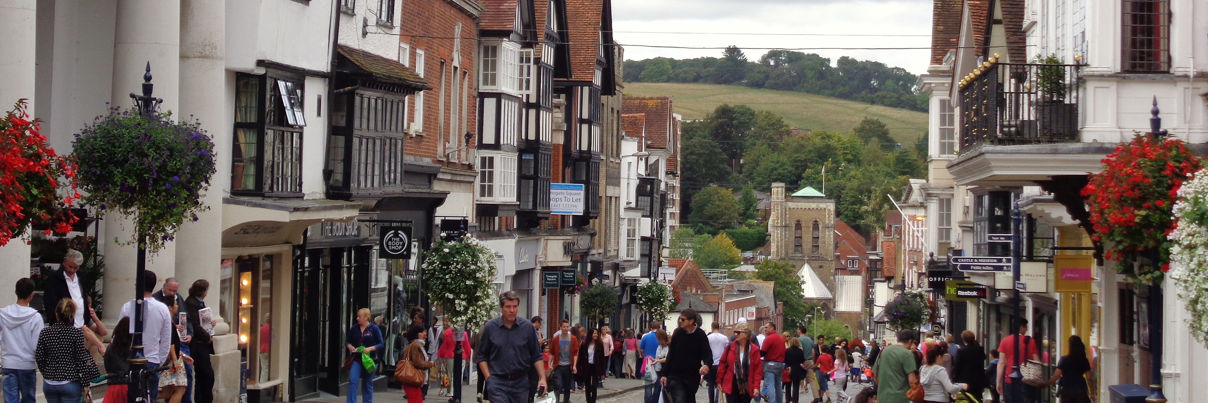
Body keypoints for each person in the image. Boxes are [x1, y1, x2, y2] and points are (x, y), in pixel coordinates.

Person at [476, 291, 547, 403]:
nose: (512, 310)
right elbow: (482, 357)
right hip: (497, 382)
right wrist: (489, 379)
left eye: (515, 306)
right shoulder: (490, 328)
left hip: (520, 383)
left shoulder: (527, 327)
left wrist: (542, 378)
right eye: (508, 307)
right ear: (501, 308)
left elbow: (536, 356)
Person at [119, 270, 172, 402]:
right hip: (152, 361)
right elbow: (166, 340)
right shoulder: (162, 308)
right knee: (150, 398)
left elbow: (119, 336)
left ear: (137, 284)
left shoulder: (127, 307)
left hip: (132, 361)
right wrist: (159, 361)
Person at [42, 250, 106, 358]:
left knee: (94, 344)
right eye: (70, 266)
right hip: (64, 327)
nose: (72, 270)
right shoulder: (54, 279)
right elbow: (50, 304)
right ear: (64, 263)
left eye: (75, 268)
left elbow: (84, 296)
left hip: (81, 325)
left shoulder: (81, 276)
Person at [35, 299, 100, 403]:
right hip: (70, 381)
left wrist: (46, 373)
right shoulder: (76, 334)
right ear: (72, 314)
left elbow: (39, 357)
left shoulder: (45, 332)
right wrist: (85, 385)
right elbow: (81, 360)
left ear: (57, 314)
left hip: (50, 382)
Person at [0, 278, 44, 403]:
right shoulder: (35, 317)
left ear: (15, 291)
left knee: (10, 399)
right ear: (32, 295)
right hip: (27, 363)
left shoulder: (3, 314)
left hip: (8, 362)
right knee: (29, 399)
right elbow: (37, 345)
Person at [659, 309, 712, 403]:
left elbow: (707, 353)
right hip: (675, 375)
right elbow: (671, 354)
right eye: (680, 319)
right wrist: (664, 374)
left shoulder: (700, 335)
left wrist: (706, 365)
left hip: (692, 376)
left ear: (691, 321)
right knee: (680, 399)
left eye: (683, 320)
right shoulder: (678, 333)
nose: (680, 321)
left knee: (689, 399)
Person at [154, 278, 194, 403]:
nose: (172, 293)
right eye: (170, 290)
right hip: (171, 355)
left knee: (173, 389)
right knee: (178, 388)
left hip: (179, 347)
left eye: (175, 291)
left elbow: (186, 318)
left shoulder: (179, 298)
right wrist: (176, 359)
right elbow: (169, 342)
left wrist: (189, 334)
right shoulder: (157, 301)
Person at [184, 279, 216, 403]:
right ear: (203, 291)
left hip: (202, 343)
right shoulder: (192, 303)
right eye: (207, 290)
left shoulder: (199, 302)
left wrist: (210, 324)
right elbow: (195, 325)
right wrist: (207, 337)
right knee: (206, 375)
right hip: (198, 344)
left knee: (204, 376)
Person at [717, 323, 763, 403]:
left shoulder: (754, 350)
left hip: (747, 384)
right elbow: (722, 363)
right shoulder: (730, 347)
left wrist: (756, 387)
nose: (736, 334)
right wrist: (719, 380)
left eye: (738, 332)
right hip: (732, 382)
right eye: (735, 332)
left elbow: (757, 370)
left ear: (746, 334)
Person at [871, 329, 920, 403]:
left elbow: (875, 375)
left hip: (883, 397)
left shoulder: (884, 351)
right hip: (900, 398)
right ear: (910, 341)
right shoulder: (907, 354)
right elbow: (912, 381)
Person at [345, 308, 384, 403]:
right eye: (357, 316)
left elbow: (381, 343)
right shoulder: (354, 328)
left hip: (370, 360)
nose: (357, 318)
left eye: (359, 316)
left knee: (367, 383)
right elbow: (347, 341)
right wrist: (349, 346)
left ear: (366, 317)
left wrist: (370, 348)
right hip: (356, 359)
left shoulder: (374, 329)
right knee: (353, 380)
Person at [996, 319, 1039, 402]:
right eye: (1026, 327)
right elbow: (1037, 361)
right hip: (1027, 379)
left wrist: (998, 381)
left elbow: (1001, 363)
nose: (1026, 329)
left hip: (1010, 379)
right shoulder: (1030, 341)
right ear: (1021, 327)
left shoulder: (1005, 341)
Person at [1047, 335, 1091, 403]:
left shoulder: (1064, 360)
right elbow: (1089, 378)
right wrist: (1093, 392)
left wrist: (1046, 384)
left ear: (1070, 346)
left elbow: (1056, 376)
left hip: (1067, 391)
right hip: (1081, 390)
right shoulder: (1084, 360)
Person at [437, 317, 471, 396]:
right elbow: (467, 347)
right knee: (459, 374)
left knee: (450, 374)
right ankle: (457, 391)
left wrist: (440, 355)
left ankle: (450, 391)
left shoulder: (448, 333)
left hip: (449, 355)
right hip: (461, 355)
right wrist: (468, 357)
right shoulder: (464, 334)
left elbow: (444, 346)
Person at [401, 324, 436, 403]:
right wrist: (430, 363)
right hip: (412, 380)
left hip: (412, 381)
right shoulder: (416, 346)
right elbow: (418, 363)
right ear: (418, 334)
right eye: (423, 332)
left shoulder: (416, 345)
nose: (425, 335)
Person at [548, 319, 579, 403]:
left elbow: (576, 353)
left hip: (569, 366)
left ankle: (566, 401)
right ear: (560, 327)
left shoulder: (573, 339)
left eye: (567, 327)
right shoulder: (556, 339)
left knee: (567, 386)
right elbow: (551, 352)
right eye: (564, 327)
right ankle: (556, 401)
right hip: (558, 366)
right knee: (558, 385)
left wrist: (575, 365)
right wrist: (549, 364)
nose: (566, 328)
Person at [102, 317, 132, 403]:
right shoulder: (132, 348)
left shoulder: (111, 347)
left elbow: (107, 365)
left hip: (113, 385)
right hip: (128, 385)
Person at [953, 331, 987, 401]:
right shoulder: (980, 349)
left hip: (964, 380)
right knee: (977, 399)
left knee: (966, 398)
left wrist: (955, 379)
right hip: (978, 380)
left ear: (964, 339)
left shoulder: (961, 351)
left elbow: (957, 366)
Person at [576, 328, 607, 403]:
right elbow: (580, 358)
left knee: (594, 386)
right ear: (590, 334)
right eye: (594, 333)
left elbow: (602, 358)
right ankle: (588, 400)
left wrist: (603, 372)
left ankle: (593, 401)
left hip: (596, 367)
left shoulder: (600, 344)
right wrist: (578, 368)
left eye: (596, 333)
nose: (595, 335)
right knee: (587, 385)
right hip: (587, 366)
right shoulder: (584, 344)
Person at [760, 323, 787, 403]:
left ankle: (772, 401)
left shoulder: (769, 338)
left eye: (766, 327)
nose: (765, 329)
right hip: (780, 364)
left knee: (770, 385)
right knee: (778, 385)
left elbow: (763, 352)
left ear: (772, 328)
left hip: (770, 364)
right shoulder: (781, 338)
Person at [706, 322, 730, 403]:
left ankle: (711, 401)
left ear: (712, 327)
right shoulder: (724, 338)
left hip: (710, 363)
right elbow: (727, 350)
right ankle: (716, 400)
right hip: (721, 363)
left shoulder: (708, 338)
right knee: (719, 384)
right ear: (719, 327)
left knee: (711, 384)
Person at [643, 329, 670, 403]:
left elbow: (668, 358)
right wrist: (653, 359)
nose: (657, 340)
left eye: (658, 338)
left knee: (658, 390)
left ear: (661, 338)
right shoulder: (659, 346)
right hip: (657, 369)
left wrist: (658, 360)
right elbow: (657, 357)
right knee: (655, 388)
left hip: (665, 372)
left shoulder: (668, 347)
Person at [796, 326, 818, 403]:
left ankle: (795, 397)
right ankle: (816, 396)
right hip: (810, 361)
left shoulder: (798, 340)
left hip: (802, 361)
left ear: (800, 330)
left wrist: (799, 362)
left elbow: (799, 351)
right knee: (812, 379)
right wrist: (813, 360)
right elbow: (813, 351)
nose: (797, 330)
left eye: (798, 329)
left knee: (798, 378)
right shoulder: (809, 340)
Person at [784, 336, 807, 403]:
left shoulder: (787, 350)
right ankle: (795, 400)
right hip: (797, 369)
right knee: (796, 386)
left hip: (789, 369)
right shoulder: (800, 351)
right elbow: (802, 360)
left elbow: (785, 360)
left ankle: (788, 399)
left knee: (788, 385)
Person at [529, 316, 544, 403]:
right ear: (537, 322)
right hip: (532, 361)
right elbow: (536, 344)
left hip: (534, 359)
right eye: (540, 324)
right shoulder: (531, 330)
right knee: (533, 381)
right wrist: (539, 337)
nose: (540, 326)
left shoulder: (535, 331)